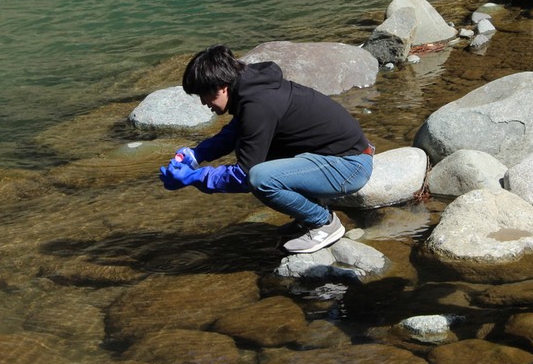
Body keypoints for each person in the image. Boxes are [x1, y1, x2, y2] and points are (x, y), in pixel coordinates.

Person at [158, 44, 374, 254]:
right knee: (258, 152)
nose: (204, 103)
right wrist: (197, 155)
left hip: (350, 165)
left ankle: (324, 223)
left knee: (260, 177)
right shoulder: (249, 89)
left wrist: (196, 178)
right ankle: (309, 215)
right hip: (335, 156)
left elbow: (243, 176)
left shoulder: (258, 104)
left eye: (204, 95)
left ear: (222, 87)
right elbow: (236, 132)